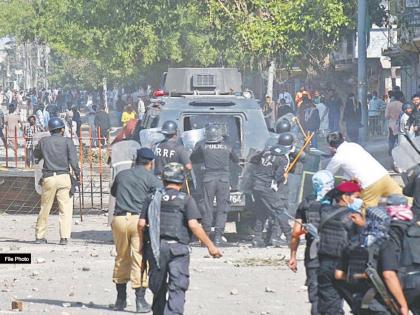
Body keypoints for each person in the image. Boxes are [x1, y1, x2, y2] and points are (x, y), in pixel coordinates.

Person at [139, 162, 222, 315]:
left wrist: (141, 246)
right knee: (177, 287)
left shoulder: (152, 197)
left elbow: (142, 224)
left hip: (156, 248)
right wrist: (211, 246)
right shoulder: (186, 199)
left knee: (158, 287)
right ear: (182, 181)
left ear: (163, 180)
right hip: (177, 249)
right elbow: (194, 225)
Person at [110, 148, 162, 313]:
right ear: (151, 162)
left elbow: (114, 192)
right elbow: (160, 197)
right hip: (138, 221)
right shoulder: (152, 179)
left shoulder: (122, 175)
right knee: (138, 258)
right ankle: (140, 301)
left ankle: (120, 300)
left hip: (119, 220)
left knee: (121, 257)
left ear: (135, 160)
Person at [288, 170, 335, 315]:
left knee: (315, 295)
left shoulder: (306, 203)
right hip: (335, 253)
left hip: (313, 253)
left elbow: (295, 233)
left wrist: (293, 257)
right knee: (333, 295)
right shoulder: (337, 202)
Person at [317, 181, 364, 315]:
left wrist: (338, 189)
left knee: (330, 306)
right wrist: (363, 225)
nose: (358, 200)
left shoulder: (324, 211)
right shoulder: (354, 216)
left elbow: (326, 198)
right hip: (345, 267)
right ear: (345, 197)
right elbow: (363, 240)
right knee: (360, 304)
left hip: (324, 264)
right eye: (356, 196)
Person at [33, 117, 80, 245]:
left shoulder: (43, 141)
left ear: (49, 130)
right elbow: (74, 161)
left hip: (48, 178)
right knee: (65, 208)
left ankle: (39, 236)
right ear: (62, 129)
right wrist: (78, 174)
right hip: (64, 177)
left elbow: (36, 156)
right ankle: (64, 237)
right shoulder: (67, 141)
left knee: (45, 208)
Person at [190, 124, 239, 245]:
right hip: (223, 179)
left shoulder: (202, 145)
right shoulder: (227, 145)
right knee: (222, 208)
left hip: (208, 179)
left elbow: (193, 158)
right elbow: (236, 159)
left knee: (207, 207)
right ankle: (218, 236)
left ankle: (205, 235)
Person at [326, 132, 402, 209]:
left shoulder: (338, 157)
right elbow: (353, 166)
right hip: (383, 176)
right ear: (344, 138)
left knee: (368, 215)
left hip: (369, 186)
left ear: (330, 146)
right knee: (403, 200)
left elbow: (326, 175)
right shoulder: (354, 145)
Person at [248, 132, 294, 247]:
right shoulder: (283, 158)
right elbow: (278, 177)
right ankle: (290, 237)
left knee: (261, 211)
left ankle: (257, 238)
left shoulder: (266, 152)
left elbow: (253, 160)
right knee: (280, 210)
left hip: (255, 185)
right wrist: (283, 177)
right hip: (266, 187)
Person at [107, 120, 141, 225]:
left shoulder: (115, 146)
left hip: (117, 178)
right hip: (133, 179)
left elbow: (109, 162)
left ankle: (112, 224)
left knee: (114, 203)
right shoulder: (137, 145)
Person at [385, 90, 404, 155]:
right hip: (400, 124)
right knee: (400, 139)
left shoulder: (389, 105)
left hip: (391, 124)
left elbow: (386, 116)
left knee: (391, 139)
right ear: (400, 97)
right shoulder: (402, 105)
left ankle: (390, 151)